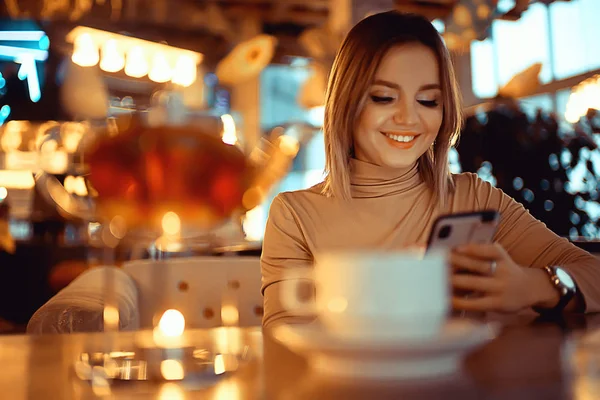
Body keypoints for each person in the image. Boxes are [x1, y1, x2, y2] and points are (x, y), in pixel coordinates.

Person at [260, 11, 600, 328]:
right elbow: (282, 340)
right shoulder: (294, 215)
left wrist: (533, 286)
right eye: (383, 97)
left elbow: (592, 272)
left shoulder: (472, 197)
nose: (409, 118)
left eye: (428, 101)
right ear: (347, 105)